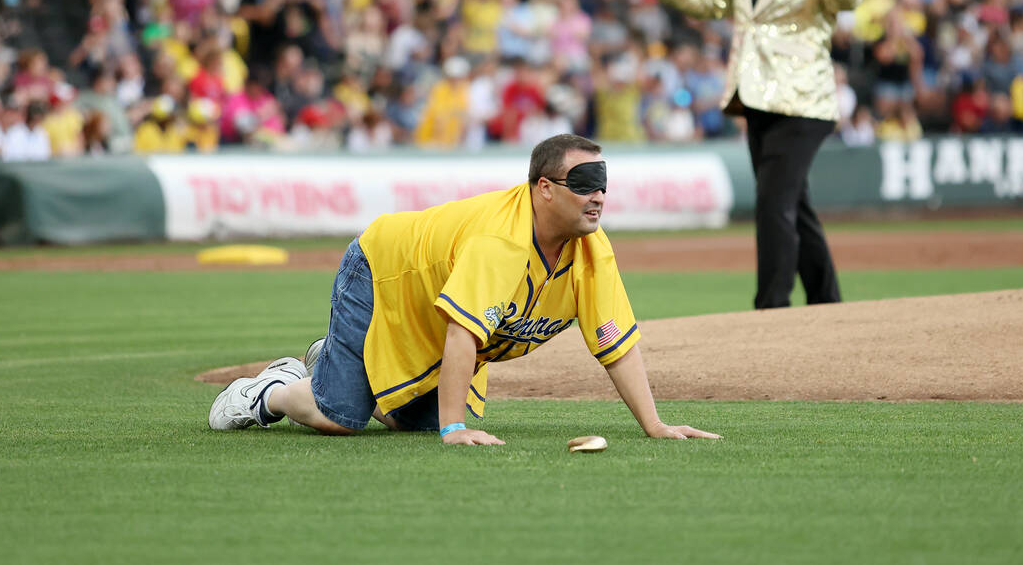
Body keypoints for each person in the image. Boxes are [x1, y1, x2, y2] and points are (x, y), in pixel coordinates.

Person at [208, 134, 720, 445]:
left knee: (422, 424)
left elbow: (616, 347)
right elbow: (462, 335)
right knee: (343, 419)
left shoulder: (592, 250)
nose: (599, 196)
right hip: (384, 272)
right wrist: (457, 430)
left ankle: (343, 360)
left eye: (603, 184)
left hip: (436, 305)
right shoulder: (502, 240)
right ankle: (269, 392)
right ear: (545, 188)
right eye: (584, 184)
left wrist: (655, 424)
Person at [623, 0, 864, 309]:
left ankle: (770, 306)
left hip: (804, 102)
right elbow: (702, 3)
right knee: (793, 204)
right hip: (756, 101)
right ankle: (827, 300)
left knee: (774, 203)